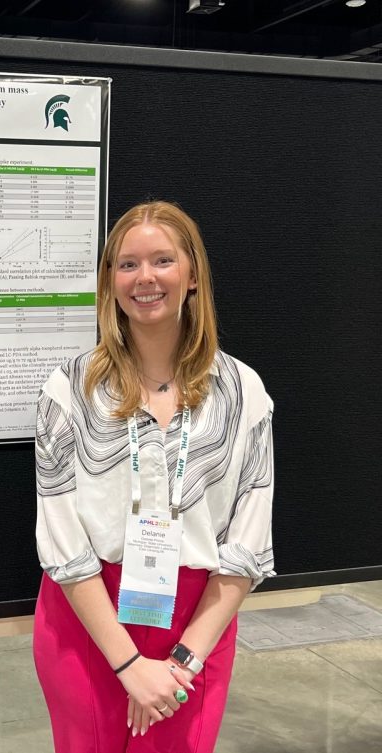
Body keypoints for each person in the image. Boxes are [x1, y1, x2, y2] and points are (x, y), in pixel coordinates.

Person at [32, 201, 274, 753]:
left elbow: (247, 543)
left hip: (198, 621)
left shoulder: (244, 394)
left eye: (162, 260)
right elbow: (63, 542)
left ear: (191, 275)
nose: (145, 278)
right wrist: (129, 664)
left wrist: (182, 661)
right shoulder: (67, 393)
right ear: (110, 280)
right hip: (87, 621)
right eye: (127, 264)